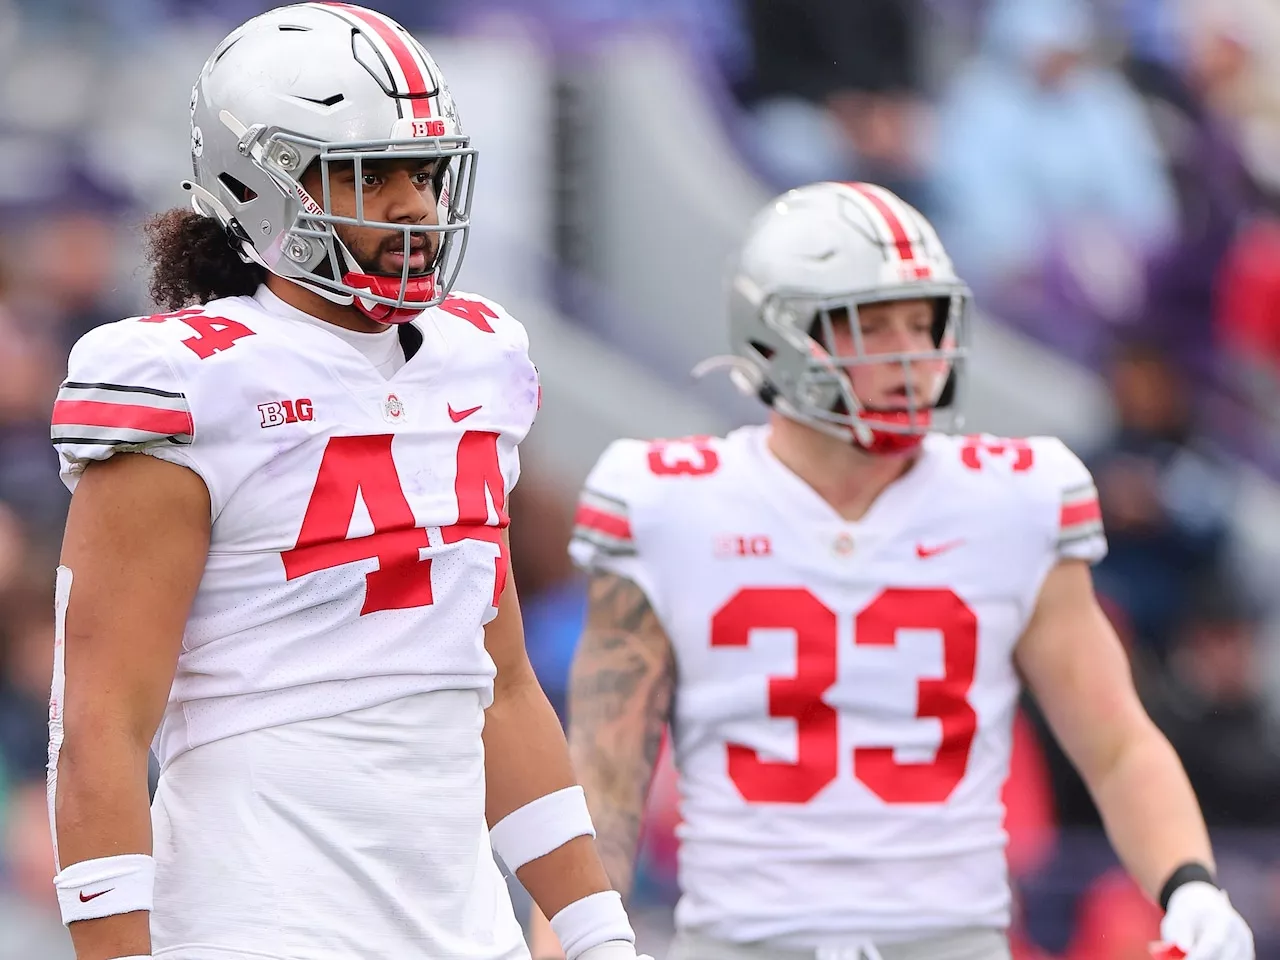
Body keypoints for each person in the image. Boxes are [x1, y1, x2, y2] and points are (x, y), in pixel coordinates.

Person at [45, 6, 649, 960]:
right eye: (369, 173)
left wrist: (595, 932)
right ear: (261, 182)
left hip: (464, 923)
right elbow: (100, 729)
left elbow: (496, 690)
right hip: (262, 918)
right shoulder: (186, 379)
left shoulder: (478, 360)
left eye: (422, 169)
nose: (413, 203)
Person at [531, 182, 1254, 960]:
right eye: (870, 328)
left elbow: (1116, 743)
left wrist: (1189, 887)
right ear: (776, 338)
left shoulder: (1016, 499)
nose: (912, 355)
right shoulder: (668, 504)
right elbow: (604, 778)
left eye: (924, 321)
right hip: (741, 942)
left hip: (953, 942)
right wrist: (567, 941)